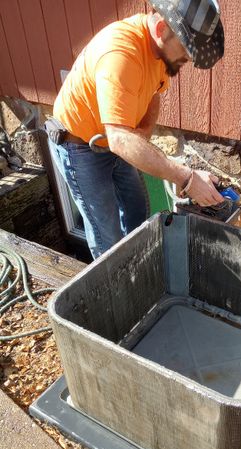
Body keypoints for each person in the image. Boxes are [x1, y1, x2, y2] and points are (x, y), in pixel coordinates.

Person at [47, 0, 225, 259]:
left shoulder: (160, 51)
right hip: (80, 145)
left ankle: (139, 266)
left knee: (136, 209)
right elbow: (120, 139)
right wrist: (187, 179)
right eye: (187, 47)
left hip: (115, 137)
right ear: (162, 28)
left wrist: (142, 133)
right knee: (106, 233)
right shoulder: (120, 54)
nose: (189, 57)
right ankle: (117, 289)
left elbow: (154, 92)